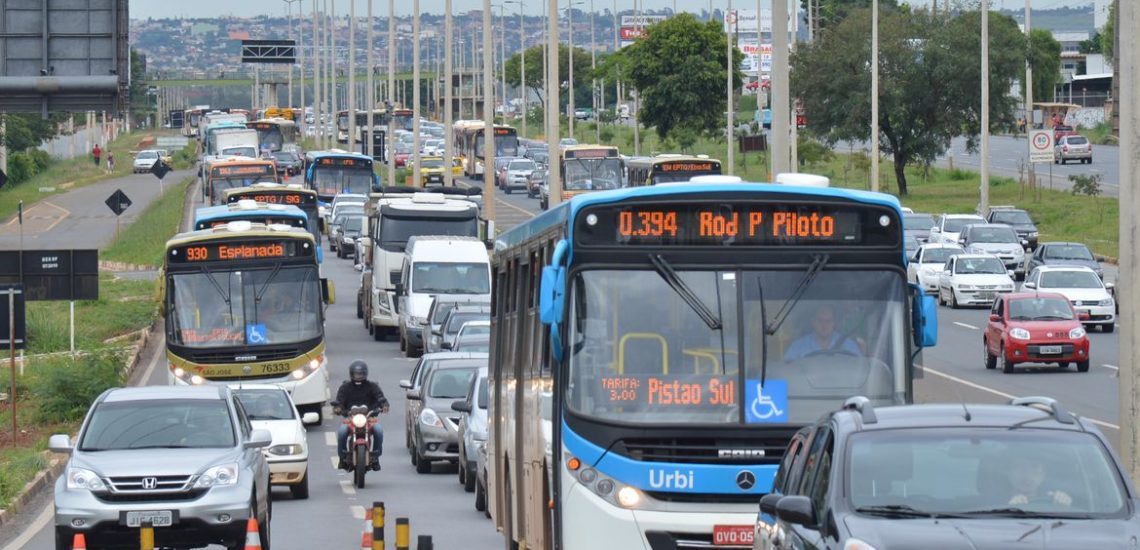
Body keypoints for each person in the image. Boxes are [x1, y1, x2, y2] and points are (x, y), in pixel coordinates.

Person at [334, 360, 389, 471]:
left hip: (369, 418)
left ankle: (376, 457)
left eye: (361, 374)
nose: (358, 376)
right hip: (350, 419)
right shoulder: (345, 387)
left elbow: (380, 397)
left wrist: (384, 405)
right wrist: (338, 408)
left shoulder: (372, 386)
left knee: (379, 431)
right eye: (356, 374)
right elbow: (339, 401)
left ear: (365, 373)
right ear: (351, 374)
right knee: (342, 432)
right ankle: (342, 458)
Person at [783, 305, 861, 361]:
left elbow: (860, 369)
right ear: (813, 322)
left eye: (828, 321)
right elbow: (785, 372)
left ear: (834, 323)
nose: (824, 325)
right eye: (820, 320)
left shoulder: (849, 345)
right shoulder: (798, 347)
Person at [1005, 455, 1072, 507]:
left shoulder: (1053, 499)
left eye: (1034, 467)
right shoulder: (999, 503)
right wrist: (1008, 510)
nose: (1027, 472)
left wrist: (1063, 505)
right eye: (1020, 466)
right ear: (1009, 472)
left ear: (1043, 475)